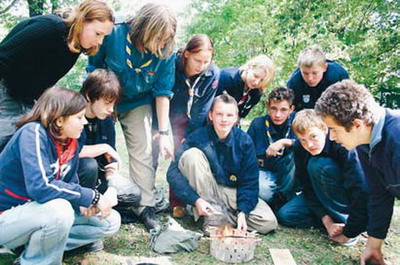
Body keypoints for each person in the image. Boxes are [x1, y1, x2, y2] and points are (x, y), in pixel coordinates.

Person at [0, 87, 120, 265]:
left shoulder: (73, 140)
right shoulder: (33, 133)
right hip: (7, 217)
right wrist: (91, 196)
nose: (85, 122)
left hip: (37, 213)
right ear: (59, 119)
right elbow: (41, 187)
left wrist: (82, 205)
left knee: (110, 221)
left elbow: (69, 182)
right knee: (60, 210)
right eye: (79, 117)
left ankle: (32, 248)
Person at [87, 3, 177, 231]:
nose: (161, 45)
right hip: (105, 97)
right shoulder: (114, 33)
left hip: (138, 101)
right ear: (143, 29)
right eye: (157, 38)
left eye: (165, 40)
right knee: (101, 150)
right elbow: (94, 68)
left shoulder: (166, 51)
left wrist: (165, 133)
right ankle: (99, 198)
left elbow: (163, 92)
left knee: (143, 150)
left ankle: (145, 207)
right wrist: (103, 103)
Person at [0, 0, 115, 151]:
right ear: (83, 20)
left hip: (28, 98)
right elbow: (3, 57)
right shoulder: (50, 27)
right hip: (6, 88)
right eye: (98, 33)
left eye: (104, 36)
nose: (99, 42)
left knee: (27, 144)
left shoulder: (75, 47)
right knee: (5, 138)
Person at [315, 80, 400, 265]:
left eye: (333, 130)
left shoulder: (396, 137)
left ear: (357, 124)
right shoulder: (364, 143)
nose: (331, 137)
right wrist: (373, 246)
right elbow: (379, 195)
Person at [167, 92, 277, 235]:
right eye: (219, 114)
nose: (224, 119)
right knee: (191, 155)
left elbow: (249, 182)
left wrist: (243, 211)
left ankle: (224, 215)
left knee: (268, 222)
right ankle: (212, 215)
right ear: (211, 116)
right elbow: (172, 172)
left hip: (231, 192)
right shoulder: (197, 137)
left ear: (236, 118)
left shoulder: (244, 141)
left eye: (229, 115)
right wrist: (196, 200)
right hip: (205, 189)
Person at [277, 109, 368, 246]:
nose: (309, 145)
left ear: (325, 129)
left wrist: (353, 228)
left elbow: (359, 187)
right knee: (287, 215)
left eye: (313, 136)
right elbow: (307, 187)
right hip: (320, 195)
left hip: (345, 196)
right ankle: (333, 224)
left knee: (318, 165)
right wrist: (327, 222)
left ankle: (346, 224)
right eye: (303, 140)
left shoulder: (342, 143)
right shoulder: (300, 148)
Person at [77, 69, 141, 221]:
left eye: (113, 104)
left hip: (98, 179)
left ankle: (101, 205)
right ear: (89, 95)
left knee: (133, 194)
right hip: (75, 177)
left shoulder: (106, 120)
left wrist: (112, 187)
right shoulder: (73, 113)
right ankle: (85, 211)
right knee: (89, 165)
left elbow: (110, 159)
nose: (111, 109)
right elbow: (72, 151)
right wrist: (105, 147)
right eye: (106, 103)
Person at [168, 34, 220, 215]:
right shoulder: (172, 64)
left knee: (184, 154)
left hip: (192, 118)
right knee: (161, 151)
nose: (201, 66)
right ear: (187, 54)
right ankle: (155, 199)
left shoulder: (212, 73)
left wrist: (188, 137)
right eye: (198, 60)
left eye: (207, 61)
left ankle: (181, 202)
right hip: (168, 110)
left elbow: (202, 109)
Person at [247, 87, 297, 211]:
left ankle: (283, 198)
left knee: (297, 154)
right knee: (263, 191)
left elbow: (310, 144)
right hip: (265, 172)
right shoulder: (257, 124)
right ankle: (274, 202)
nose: (277, 115)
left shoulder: (298, 122)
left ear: (291, 109)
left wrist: (285, 142)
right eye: (274, 109)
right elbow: (246, 154)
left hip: (288, 175)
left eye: (283, 110)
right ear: (268, 106)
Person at [287, 45, 349, 111]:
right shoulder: (294, 83)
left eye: (314, 73)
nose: (310, 78)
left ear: (324, 67)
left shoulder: (338, 76)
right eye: (305, 73)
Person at [216, 54, 275, 119]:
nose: (256, 82)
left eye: (262, 80)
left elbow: (240, 115)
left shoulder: (257, 91)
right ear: (249, 67)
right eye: (255, 76)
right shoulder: (226, 78)